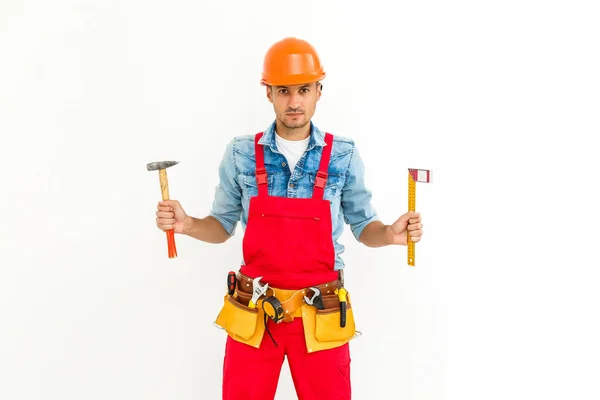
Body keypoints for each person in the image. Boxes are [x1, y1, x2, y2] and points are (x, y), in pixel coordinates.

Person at [154, 37, 424, 400]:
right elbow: (220, 226)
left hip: (321, 312)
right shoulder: (241, 154)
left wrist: (390, 234)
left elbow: (364, 227)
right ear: (268, 93)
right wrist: (187, 225)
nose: (294, 102)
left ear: (318, 91)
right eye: (283, 91)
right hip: (254, 313)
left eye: (303, 90)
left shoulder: (342, 155)